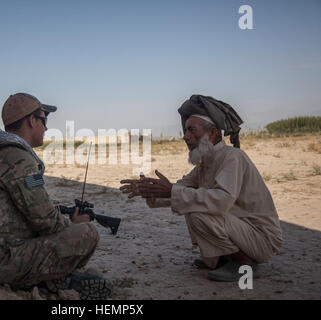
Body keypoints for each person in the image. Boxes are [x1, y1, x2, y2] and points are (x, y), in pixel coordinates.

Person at [0, 93, 112, 299]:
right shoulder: (18, 158)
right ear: (31, 121)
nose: (46, 128)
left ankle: (52, 279)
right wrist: (72, 223)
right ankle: (51, 280)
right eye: (44, 120)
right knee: (87, 234)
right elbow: (45, 221)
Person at [120, 94, 283, 282]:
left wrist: (172, 190)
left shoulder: (233, 157)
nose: (186, 137)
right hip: (243, 231)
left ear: (212, 133)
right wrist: (151, 191)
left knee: (198, 212)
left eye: (191, 130)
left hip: (261, 237)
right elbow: (180, 190)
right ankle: (223, 258)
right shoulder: (205, 164)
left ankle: (243, 262)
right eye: (185, 131)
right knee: (192, 203)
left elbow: (221, 200)